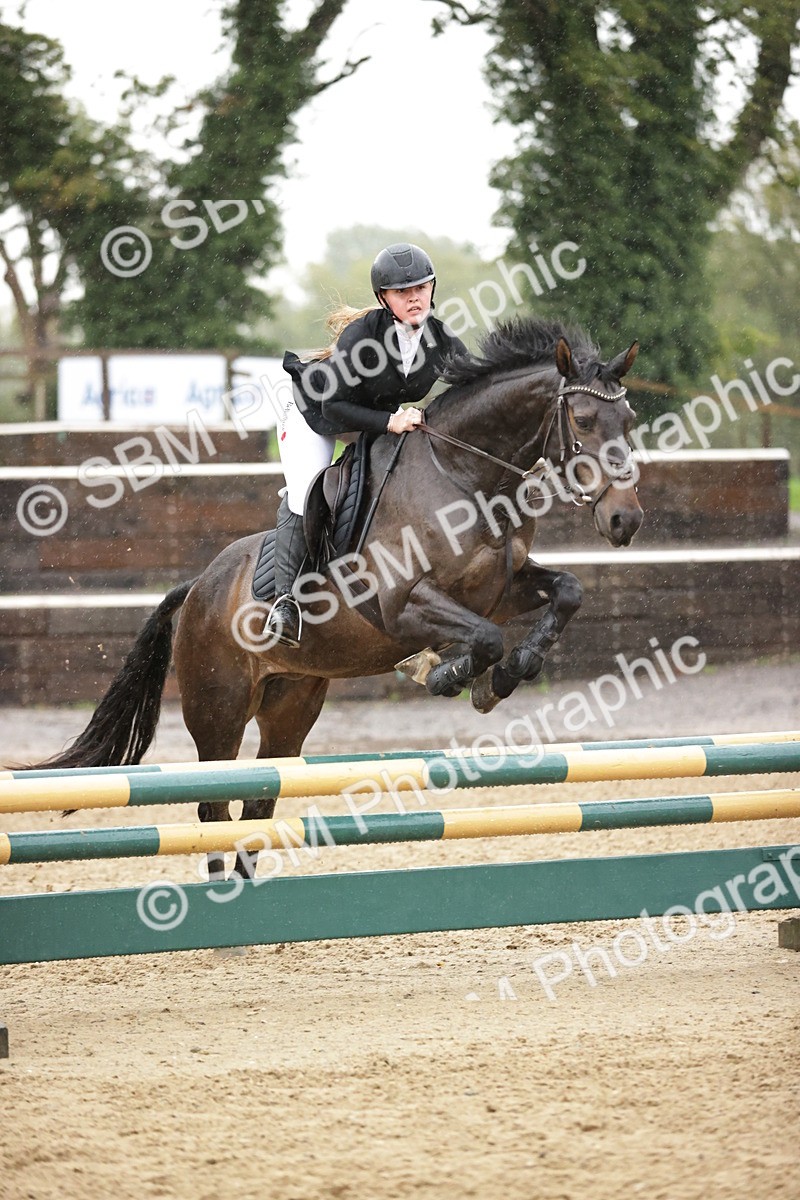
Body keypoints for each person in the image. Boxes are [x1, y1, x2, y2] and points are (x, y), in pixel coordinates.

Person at [269, 241, 468, 647]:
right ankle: (284, 602)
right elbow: (334, 406)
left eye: (421, 287)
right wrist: (392, 421)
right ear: (384, 298)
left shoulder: (439, 339)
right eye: (402, 292)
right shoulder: (362, 336)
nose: (414, 298)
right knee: (306, 492)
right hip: (314, 413)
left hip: (368, 420)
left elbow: (476, 386)